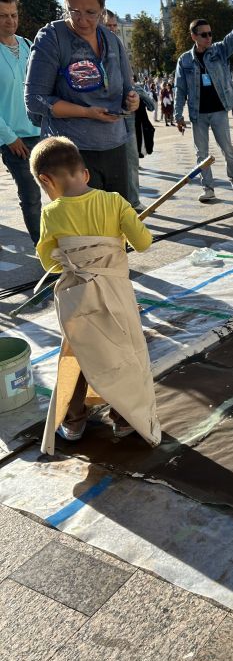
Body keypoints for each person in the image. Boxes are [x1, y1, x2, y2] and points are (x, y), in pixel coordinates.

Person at [31, 136, 161, 454]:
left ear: (46, 180)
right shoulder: (114, 202)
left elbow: (50, 263)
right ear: (85, 173)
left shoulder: (51, 213)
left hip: (78, 299)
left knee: (80, 354)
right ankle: (125, 417)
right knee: (123, 353)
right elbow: (144, 243)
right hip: (116, 295)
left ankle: (74, 420)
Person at [25, 0, 139, 200]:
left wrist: (132, 100)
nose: (82, 20)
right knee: (84, 222)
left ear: (103, 8)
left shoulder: (111, 40)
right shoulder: (52, 37)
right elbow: (35, 100)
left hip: (115, 146)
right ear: (65, 3)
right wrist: (86, 112)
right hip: (70, 155)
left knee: (115, 218)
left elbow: (128, 89)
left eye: (91, 12)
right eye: (73, 11)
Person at [175, 10, 233, 201]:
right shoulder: (184, 60)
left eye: (210, 33)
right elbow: (180, 88)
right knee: (201, 154)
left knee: (227, 149)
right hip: (198, 114)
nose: (209, 37)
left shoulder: (219, 50)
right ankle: (208, 188)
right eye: (204, 34)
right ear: (194, 36)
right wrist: (178, 115)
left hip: (219, 111)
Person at [0, 0, 41, 245]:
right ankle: (43, 248)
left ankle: (63, 241)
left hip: (41, 132)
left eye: (13, 14)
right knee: (31, 195)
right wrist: (9, 138)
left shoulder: (28, 45)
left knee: (61, 191)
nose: (10, 21)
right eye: (3, 16)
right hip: (14, 140)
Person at [104, 11, 144, 212]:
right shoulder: (96, 49)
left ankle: (134, 202)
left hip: (125, 113)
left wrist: (135, 95)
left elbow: (129, 81)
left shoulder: (118, 47)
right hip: (104, 115)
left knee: (131, 159)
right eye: (108, 26)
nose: (113, 30)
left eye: (114, 26)